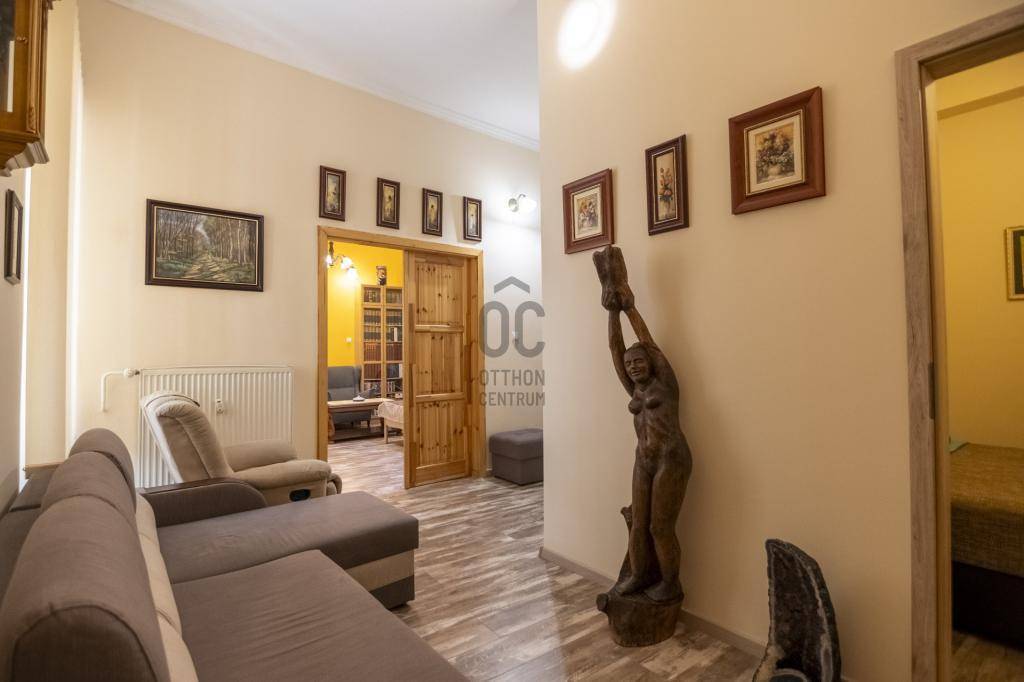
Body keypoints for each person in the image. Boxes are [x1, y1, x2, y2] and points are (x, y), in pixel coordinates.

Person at [596, 246, 692, 603]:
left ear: (651, 363)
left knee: (660, 527)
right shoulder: (633, 388)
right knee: (638, 522)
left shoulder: (665, 385)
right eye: (629, 364)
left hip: (671, 457)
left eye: (638, 361)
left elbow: (648, 343)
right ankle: (638, 576)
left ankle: (670, 583)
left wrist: (629, 306)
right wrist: (610, 311)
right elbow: (614, 348)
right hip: (644, 458)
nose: (633, 366)